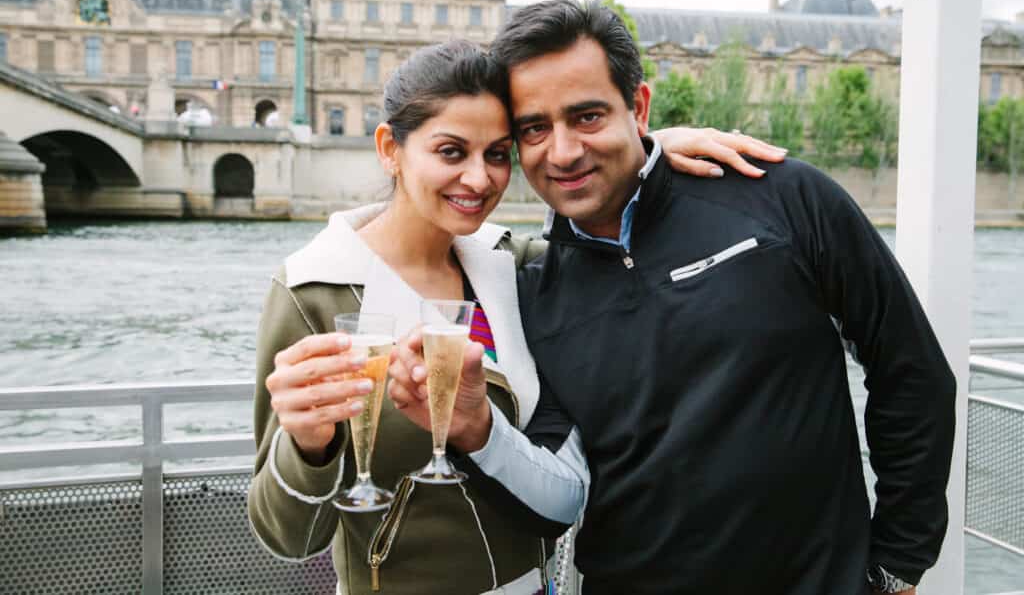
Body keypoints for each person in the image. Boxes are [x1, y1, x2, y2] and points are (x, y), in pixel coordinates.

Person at [388, 1, 956, 595]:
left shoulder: (782, 198)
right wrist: (475, 428)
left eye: (587, 116)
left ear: (638, 108)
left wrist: (895, 569)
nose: (561, 152)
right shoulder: (530, 291)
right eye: (534, 128)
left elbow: (911, 372)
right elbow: (556, 492)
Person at [247, 39, 787, 595]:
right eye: (452, 152)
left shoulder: (515, 266)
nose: (480, 180)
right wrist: (309, 448)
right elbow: (291, 540)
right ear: (390, 148)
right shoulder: (312, 290)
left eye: (498, 154)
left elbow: (612, 251)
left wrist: (643, 151)